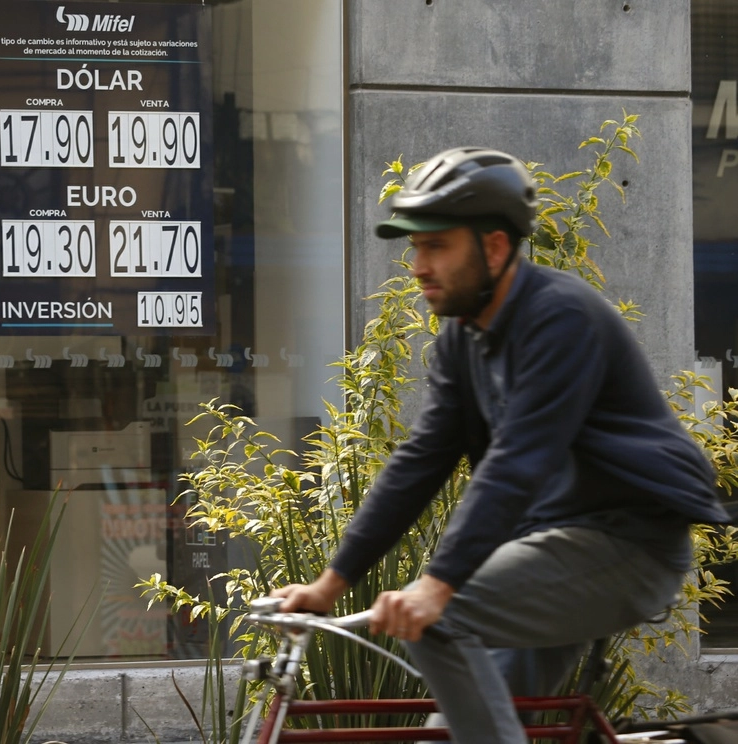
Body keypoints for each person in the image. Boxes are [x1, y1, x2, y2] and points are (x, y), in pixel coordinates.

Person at [271, 147, 730, 744]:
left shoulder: (560, 318)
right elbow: (420, 462)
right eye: (415, 248)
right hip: (549, 548)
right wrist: (327, 586)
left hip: (628, 546)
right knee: (461, 730)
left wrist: (437, 586)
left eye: (436, 246)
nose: (417, 266)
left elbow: (519, 461)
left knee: (439, 621)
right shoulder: (463, 339)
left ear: (493, 247)